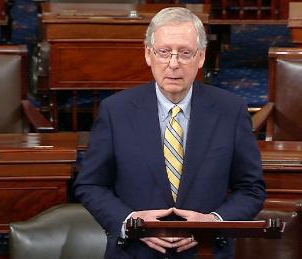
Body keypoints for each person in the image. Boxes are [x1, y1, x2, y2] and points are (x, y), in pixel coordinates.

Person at [73, 7, 266, 259]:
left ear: (201, 57)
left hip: (205, 252)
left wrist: (214, 222)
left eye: (185, 53)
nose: (173, 64)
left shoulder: (231, 110)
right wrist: (131, 222)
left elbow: (251, 189)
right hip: (135, 252)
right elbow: (90, 184)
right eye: (164, 52)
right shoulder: (116, 111)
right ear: (148, 54)